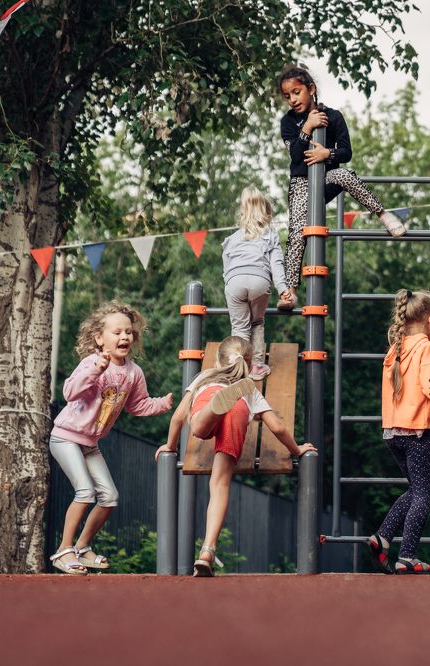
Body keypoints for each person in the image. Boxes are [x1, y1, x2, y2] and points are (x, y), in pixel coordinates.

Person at [156, 336, 316, 577]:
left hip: (207, 398)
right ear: (249, 365)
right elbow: (277, 427)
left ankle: (213, 409)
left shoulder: (204, 376)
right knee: (219, 485)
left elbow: (178, 416)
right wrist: (296, 449)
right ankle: (208, 551)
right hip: (238, 410)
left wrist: (170, 445)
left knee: (198, 426)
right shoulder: (249, 388)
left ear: (219, 361)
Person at [49, 301, 173, 574]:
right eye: (117, 332)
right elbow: (69, 392)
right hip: (66, 437)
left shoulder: (133, 372)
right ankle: (63, 550)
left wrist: (164, 403)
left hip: (90, 443)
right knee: (85, 492)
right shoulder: (92, 363)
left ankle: (82, 547)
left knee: (109, 497)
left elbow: (138, 405)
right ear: (99, 338)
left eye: (128, 332)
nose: (124, 336)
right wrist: (97, 368)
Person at [276, 63, 407, 310]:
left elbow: (346, 152)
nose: (292, 99)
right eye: (287, 96)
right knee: (296, 232)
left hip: (326, 178)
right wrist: (307, 127)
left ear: (311, 89)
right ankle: (290, 292)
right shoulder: (288, 122)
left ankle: (384, 215)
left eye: (296, 92)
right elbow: (295, 155)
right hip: (301, 183)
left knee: (346, 175)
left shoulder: (334, 116)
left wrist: (328, 153)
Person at [366, 290, 430, 575]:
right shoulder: (429, 349)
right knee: (424, 493)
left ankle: (382, 538)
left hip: (393, 433)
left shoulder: (395, 350)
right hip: (417, 432)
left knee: (416, 489)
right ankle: (407, 555)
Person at [221, 185, 290, 380]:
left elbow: (226, 268)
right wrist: (283, 289)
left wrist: (231, 285)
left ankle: (238, 367)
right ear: (266, 211)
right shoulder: (270, 235)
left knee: (239, 327)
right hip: (259, 280)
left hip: (234, 281)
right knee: (257, 322)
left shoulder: (231, 239)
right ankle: (257, 366)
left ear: (242, 211)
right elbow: (276, 265)